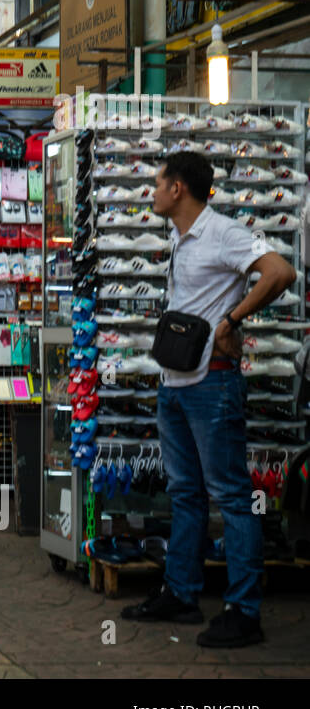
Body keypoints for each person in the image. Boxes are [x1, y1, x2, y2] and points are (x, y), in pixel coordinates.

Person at [121, 152, 295, 648]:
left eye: (157, 183)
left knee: (233, 497)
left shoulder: (222, 232)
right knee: (185, 494)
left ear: (178, 188)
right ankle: (180, 592)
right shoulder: (179, 238)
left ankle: (243, 612)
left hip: (212, 383)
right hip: (175, 383)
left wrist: (231, 320)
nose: (151, 192)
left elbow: (280, 272)